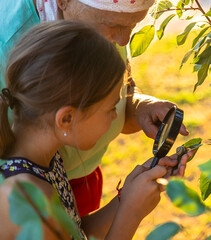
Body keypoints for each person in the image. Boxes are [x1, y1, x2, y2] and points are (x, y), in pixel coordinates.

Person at [0, 21, 194, 240]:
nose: (116, 116)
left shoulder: (43, 159)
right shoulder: (29, 203)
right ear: (66, 119)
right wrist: (131, 213)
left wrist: (127, 196)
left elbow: (76, 232)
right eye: (111, 108)